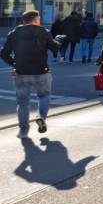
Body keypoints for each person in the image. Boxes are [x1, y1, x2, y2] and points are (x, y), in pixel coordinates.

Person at [1, 10, 61, 139]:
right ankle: (41, 117)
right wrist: (57, 40)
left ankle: (23, 131)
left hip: (21, 72)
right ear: (36, 20)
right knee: (44, 95)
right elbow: (55, 48)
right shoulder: (43, 32)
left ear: (23, 21)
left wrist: (15, 65)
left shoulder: (14, 33)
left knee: (22, 102)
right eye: (38, 19)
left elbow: (4, 53)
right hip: (41, 71)